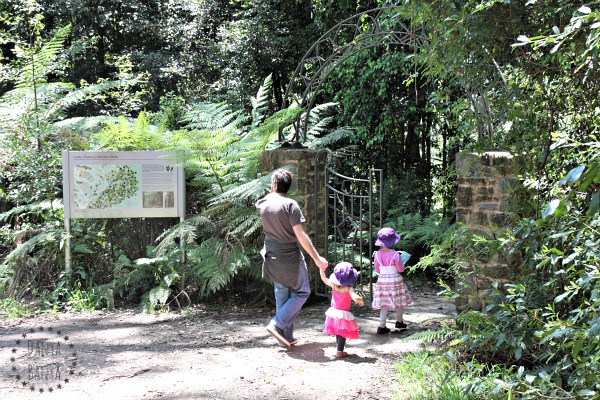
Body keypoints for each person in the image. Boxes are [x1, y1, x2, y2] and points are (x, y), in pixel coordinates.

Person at [256, 168, 328, 347]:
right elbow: (301, 235)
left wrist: (273, 187)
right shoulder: (290, 205)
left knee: (282, 294)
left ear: (273, 185)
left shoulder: (262, 203)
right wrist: (317, 258)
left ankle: (285, 337)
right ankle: (277, 324)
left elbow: (268, 198)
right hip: (289, 256)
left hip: (272, 255)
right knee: (302, 291)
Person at [319, 262, 364, 359]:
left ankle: (339, 349)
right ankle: (340, 352)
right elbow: (354, 297)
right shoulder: (349, 288)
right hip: (344, 313)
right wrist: (359, 300)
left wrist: (321, 268)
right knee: (342, 333)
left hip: (334, 312)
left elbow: (324, 279)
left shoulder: (334, 285)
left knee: (338, 331)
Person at [372, 227, 412, 334]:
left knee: (383, 304)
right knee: (399, 301)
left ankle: (381, 326)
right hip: (395, 280)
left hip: (382, 281)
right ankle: (399, 321)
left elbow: (377, 269)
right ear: (392, 242)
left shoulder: (376, 254)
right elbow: (401, 269)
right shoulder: (395, 254)